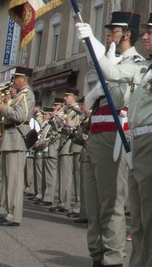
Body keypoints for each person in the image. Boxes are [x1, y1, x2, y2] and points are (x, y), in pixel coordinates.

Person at [98, 10, 152, 267]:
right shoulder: (144, 67)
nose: (144, 36)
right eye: (145, 31)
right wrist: (93, 44)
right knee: (137, 219)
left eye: (151, 32)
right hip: (137, 141)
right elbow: (112, 73)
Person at [76, 11, 144, 267]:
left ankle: (112, 257)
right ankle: (96, 253)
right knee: (92, 206)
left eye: (113, 30)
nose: (108, 34)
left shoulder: (135, 61)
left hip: (114, 136)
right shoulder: (110, 59)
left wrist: (104, 65)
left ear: (127, 34)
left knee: (110, 204)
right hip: (95, 134)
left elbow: (118, 100)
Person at [0, 66, 36, 227]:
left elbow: (21, 116)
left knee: (15, 181)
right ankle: (8, 211)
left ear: (24, 80)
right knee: (8, 178)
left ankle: (14, 215)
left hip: (17, 139)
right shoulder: (19, 95)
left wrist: (4, 108)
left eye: (16, 78)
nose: (13, 81)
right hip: (10, 139)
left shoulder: (26, 94)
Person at [53, 88, 84, 216]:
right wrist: (57, 117)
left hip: (74, 144)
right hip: (68, 144)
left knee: (76, 177)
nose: (65, 99)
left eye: (67, 96)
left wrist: (67, 123)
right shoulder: (69, 111)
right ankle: (64, 202)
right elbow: (60, 129)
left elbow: (76, 128)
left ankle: (76, 206)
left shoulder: (77, 111)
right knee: (67, 175)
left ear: (73, 97)